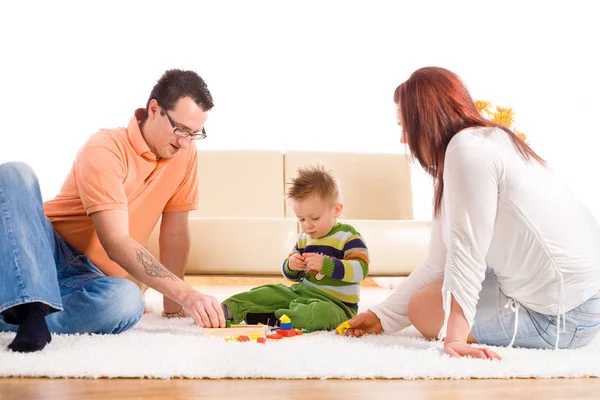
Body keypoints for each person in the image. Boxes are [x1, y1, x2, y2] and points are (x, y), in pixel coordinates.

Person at [343, 66, 600, 360]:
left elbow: (467, 250)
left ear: (425, 121)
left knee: (423, 307)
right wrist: (382, 316)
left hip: (565, 319)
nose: (404, 139)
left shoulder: (467, 150)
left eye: (405, 127)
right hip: (582, 299)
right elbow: (438, 263)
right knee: (430, 295)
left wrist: (454, 338)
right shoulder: (490, 139)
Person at [0, 69, 226, 353]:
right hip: (43, 249)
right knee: (14, 173)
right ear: (154, 109)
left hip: (89, 277)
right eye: (180, 129)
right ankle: (31, 312)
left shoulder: (186, 154)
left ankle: (17, 311)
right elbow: (115, 241)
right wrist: (189, 294)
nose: (185, 142)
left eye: (195, 134)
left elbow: (176, 232)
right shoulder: (105, 148)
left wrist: (176, 306)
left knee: (126, 301)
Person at [222, 165, 370, 330]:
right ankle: (229, 309)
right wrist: (291, 265)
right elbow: (290, 273)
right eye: (301, 219)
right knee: (267, 292)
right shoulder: (303, 238)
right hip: (300, 293)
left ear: (336, 210)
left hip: (336, 305)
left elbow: (361, 270)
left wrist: (326, 265)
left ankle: (276, 317)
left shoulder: (348, 236)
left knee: (318, 314)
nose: (307, 225)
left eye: (314, 218)